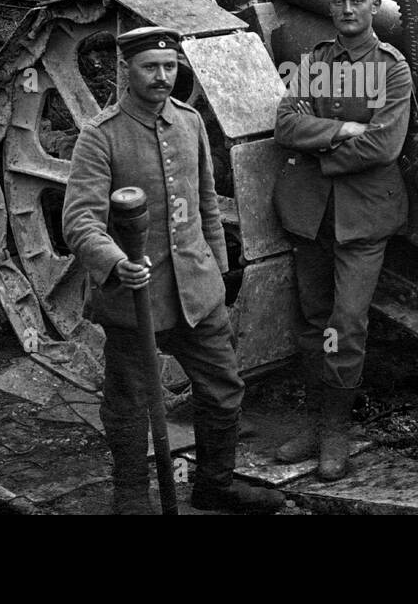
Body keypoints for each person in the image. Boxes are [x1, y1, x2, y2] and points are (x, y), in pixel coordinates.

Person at [62, 26, 283, 515]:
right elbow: (79, 221)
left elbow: (206, 203)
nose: (162, 77)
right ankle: (131, 496)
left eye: (169, 67)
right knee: (129, 402)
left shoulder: (189, 121)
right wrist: (117, 262)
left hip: (197, 292)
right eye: (150, 67)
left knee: (223, 390)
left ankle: (214, 486)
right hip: (134, 297)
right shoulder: (101, 135)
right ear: (126, 70)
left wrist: (218, 272)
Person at [272, 0, 413, 481]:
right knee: (312, 321)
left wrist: (321, 150)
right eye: (339, 1)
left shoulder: (392, 67)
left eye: (358, 0)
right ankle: (315, 423)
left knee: (346, 324)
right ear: (330, 8)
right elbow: (285, 124)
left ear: (375, 7)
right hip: (310, 214)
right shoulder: (316, 62)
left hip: (364, 217)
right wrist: (343, 128)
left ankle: (336, 431)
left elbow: (384, 145)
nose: (348, 9)